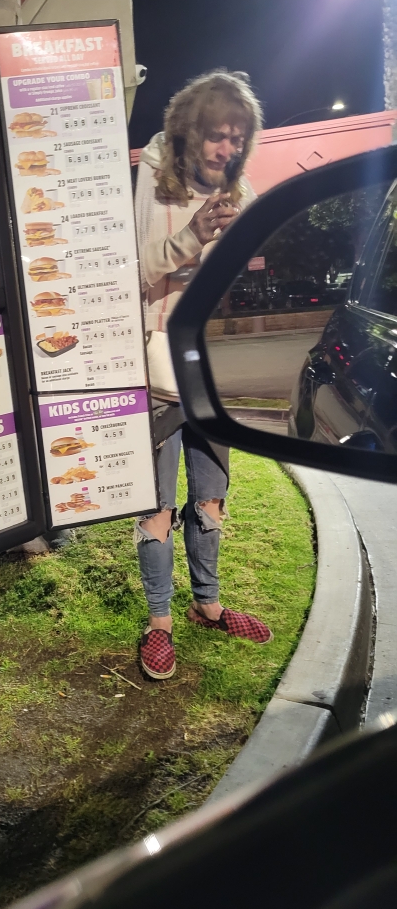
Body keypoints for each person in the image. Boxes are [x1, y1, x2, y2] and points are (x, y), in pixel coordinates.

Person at [135, 69, 272, 680]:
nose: (227, 149)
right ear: (190, 131)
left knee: (211, 496)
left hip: (210, 370)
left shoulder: (240, 191)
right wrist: (192, 237)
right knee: (157, 507)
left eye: (237, 138)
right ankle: (159, 621)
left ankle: (207, 605)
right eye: (218, 134)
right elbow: (133, 270)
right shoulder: (153, 179)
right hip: (157, 369)